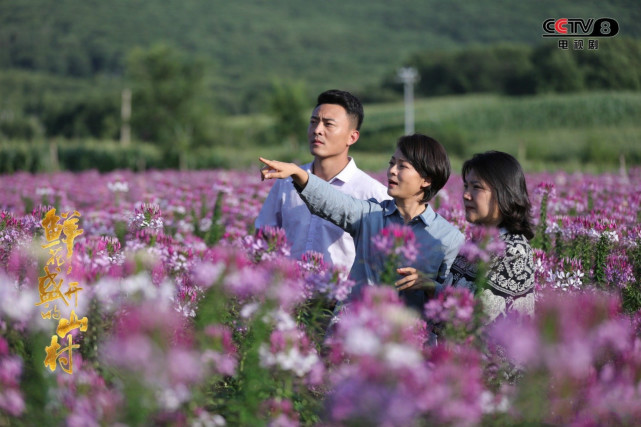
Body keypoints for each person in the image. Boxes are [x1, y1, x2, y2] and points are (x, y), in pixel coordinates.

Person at [259, 133, 464, 312]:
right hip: (355, 333)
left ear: (426, 180)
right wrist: (299, 174)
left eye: (402, 166)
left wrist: (430, 286)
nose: (392, 171)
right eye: (392, 163)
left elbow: (456, 301)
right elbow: (333, 202)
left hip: (407, 342)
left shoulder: (449, 238)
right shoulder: (370, 214)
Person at [255, 89, 390, 272]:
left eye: (328, 124)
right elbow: (263, 236)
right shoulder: (286, 181)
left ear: (352, 137)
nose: (317, 130)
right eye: (313, 122)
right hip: (289, 293)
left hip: (341, 296)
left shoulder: (372, 193)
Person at [449, 150, 535, 322]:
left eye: (477, 187)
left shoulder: (513, 252)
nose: (466, 195)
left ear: (503, 193)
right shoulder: (477, 242)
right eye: (466, 186)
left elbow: (478, 321)